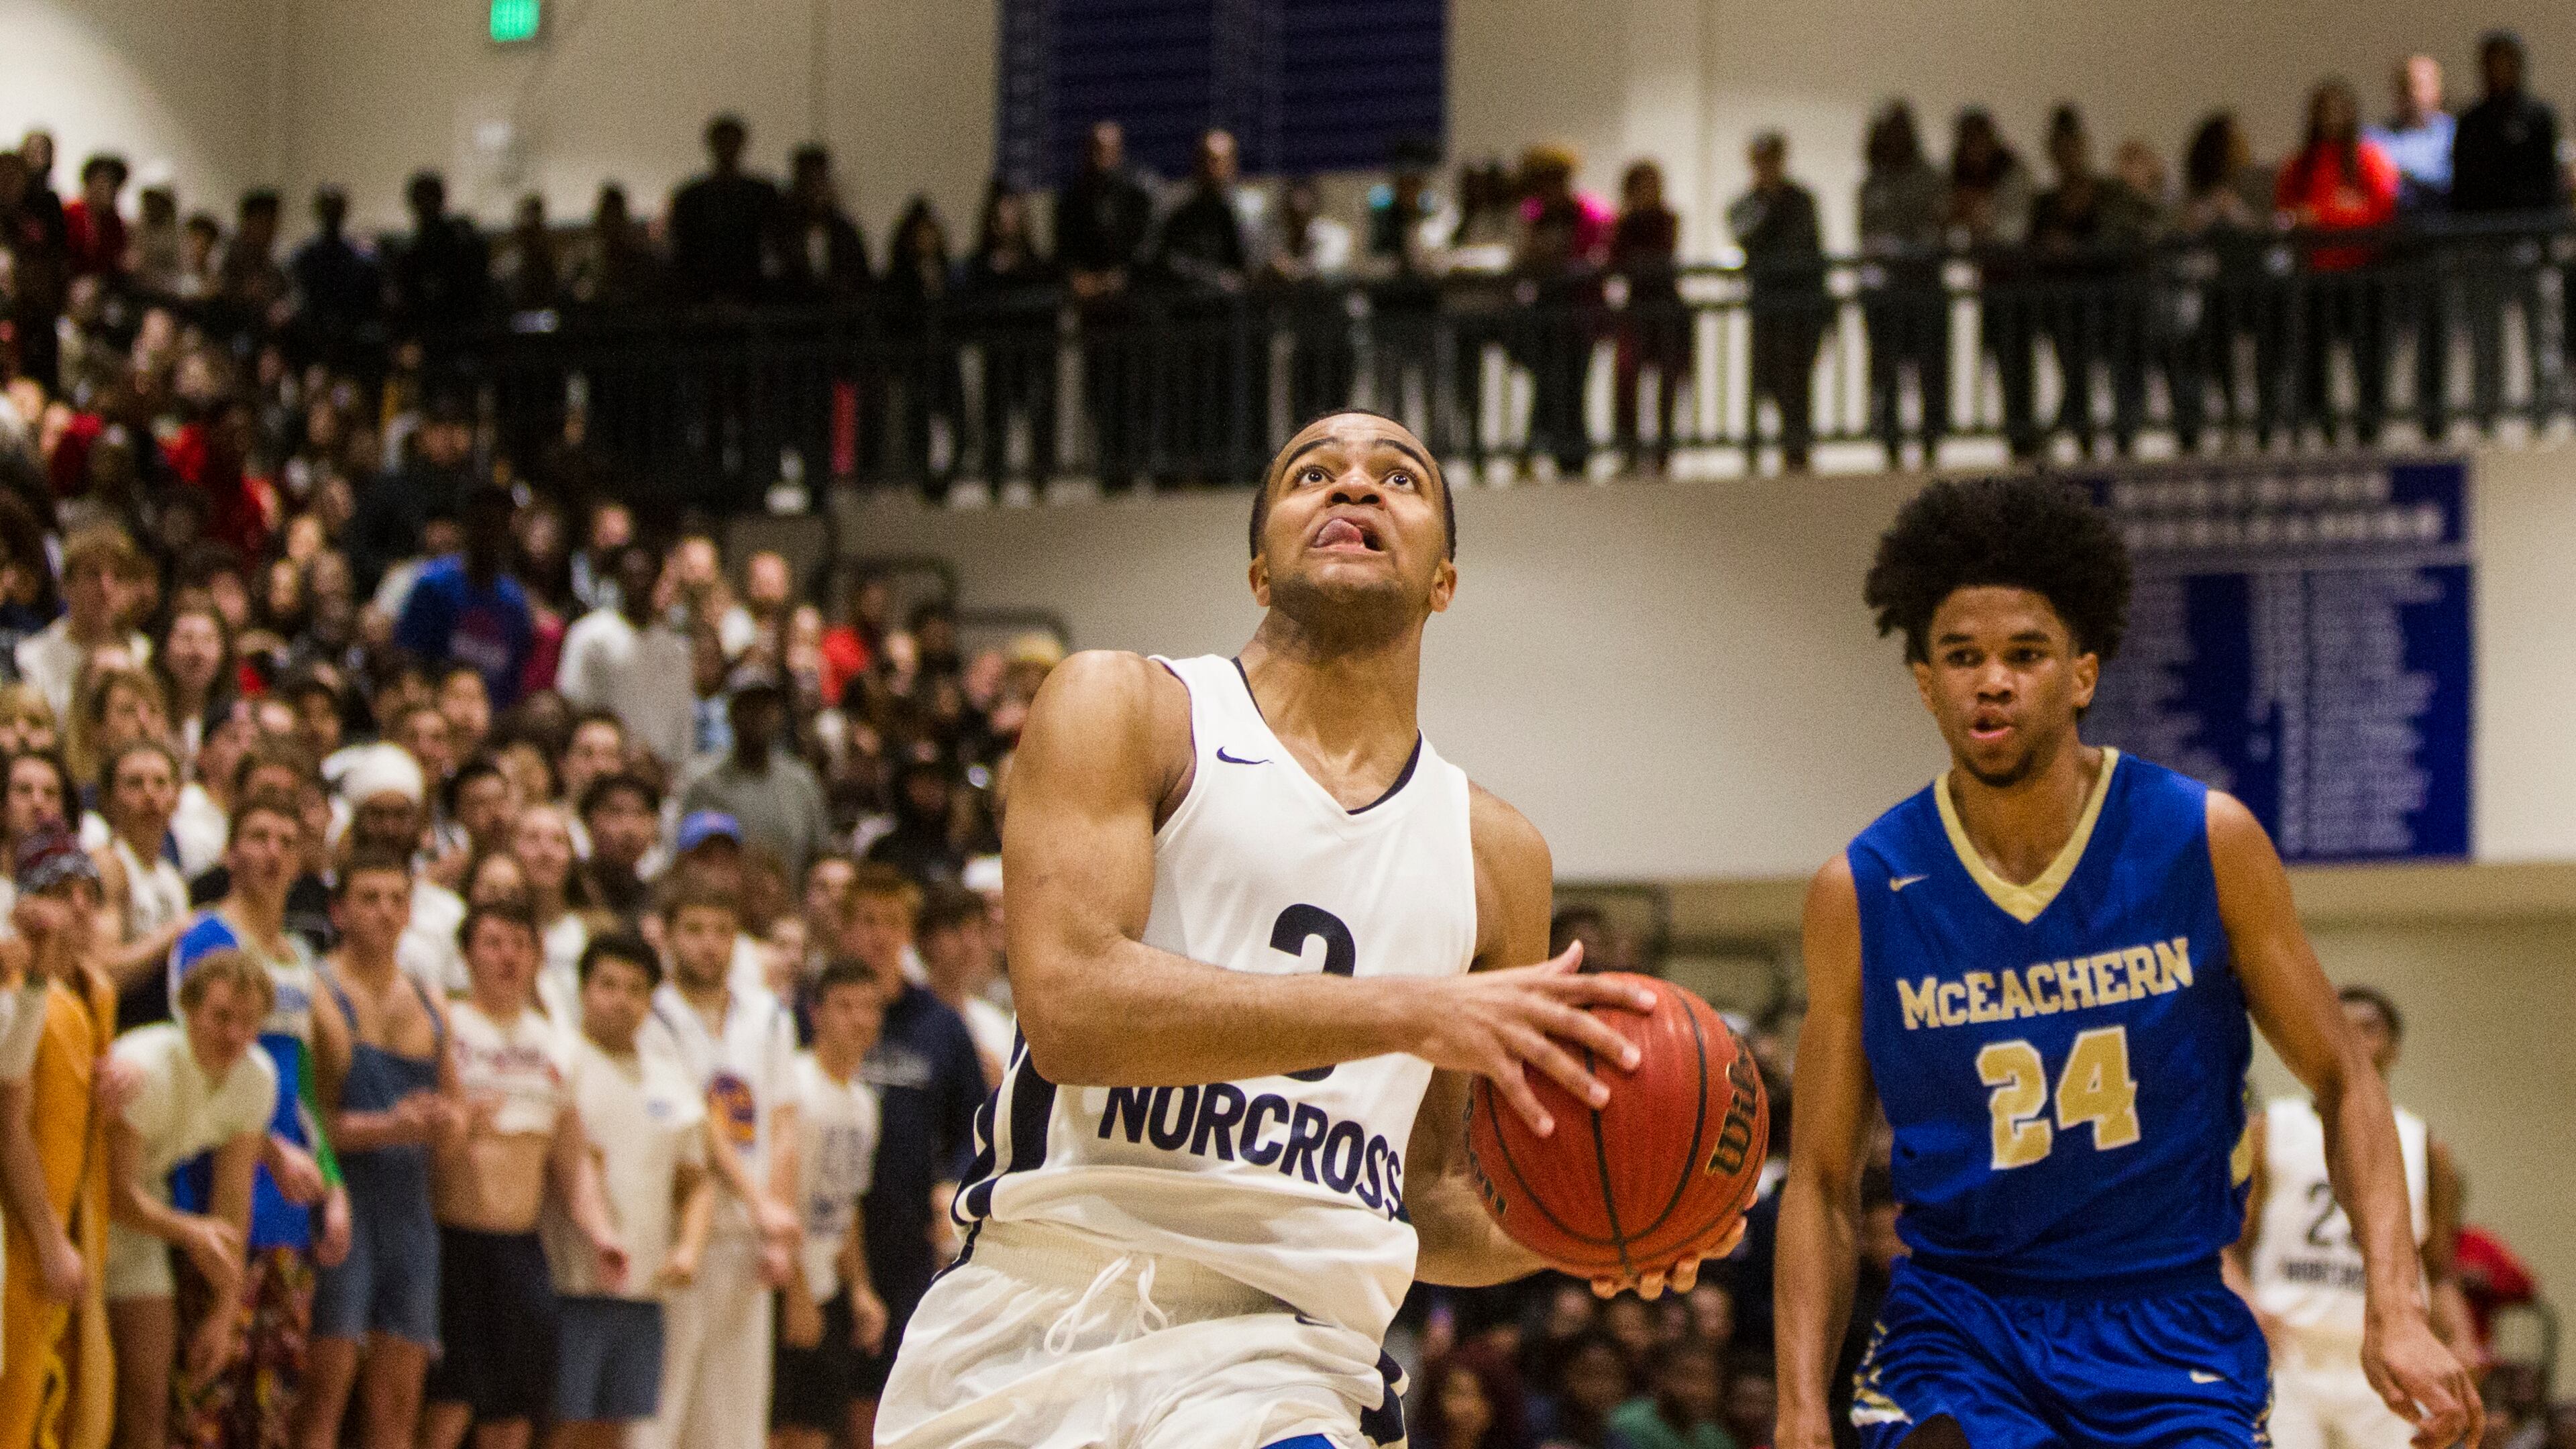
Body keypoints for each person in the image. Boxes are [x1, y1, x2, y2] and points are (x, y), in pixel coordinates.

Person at [875, 411, 1724, 1449]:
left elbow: (1429, 1197)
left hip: (1284, 1362)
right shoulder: (1131, 708)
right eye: (1312, 473)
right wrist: (1409, 1010)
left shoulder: (1498, 857)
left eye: (1398, 479)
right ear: (1259, 570)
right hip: (1038, 1312)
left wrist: (1598, 1228)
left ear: (1445, 580)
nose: (1354, 488)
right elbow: (1074, 1012)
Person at [1771, 475, 2479, 1449]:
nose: (1994, 681)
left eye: (2027, 655)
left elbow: (2344, 1079)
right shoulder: (1861, 889)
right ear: (1926, 682)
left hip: (2165, 1312)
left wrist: (2397, 1305)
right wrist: (1800, 1404)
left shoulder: (2205, 839)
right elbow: (1817, 1178)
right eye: (1962, 657)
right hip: (1962, 1320)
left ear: (2083, 673)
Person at [167, 793, 354, 1449]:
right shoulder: (207, 939)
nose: (272, 851)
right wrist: (270, 1148)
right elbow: (193, 1066)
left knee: (268, 1411)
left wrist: (332, 1183)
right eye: (257, 835)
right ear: (230, 851)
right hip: (214, 1193)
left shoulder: (298, 960)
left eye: (285, 839)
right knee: (201, 1405)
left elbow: (303, 1086)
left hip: (288, 1212)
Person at [423, 904, 627, 1449]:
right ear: (466, 954)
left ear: (538, 956)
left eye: (519, 943)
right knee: (446, 1406)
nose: (507, 956)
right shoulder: (444, 1024)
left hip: (520, 1247)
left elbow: (572, 1157)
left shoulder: (557, 1042)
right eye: (492, 943)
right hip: (451, 1240)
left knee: (514, 1410)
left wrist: (601, 1232)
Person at [2235, 985, 2474, 1449]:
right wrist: (2246, 1300)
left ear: (2395, 1048)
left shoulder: (2425, 1147)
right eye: (2341, 1026)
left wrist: (2463, 1338)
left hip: (2386, 1357)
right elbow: (2226, 1244)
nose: (2355, 1039)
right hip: (2289, 1355)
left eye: (2370, 1028)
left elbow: (2442, 1269)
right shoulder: (2270, 1130)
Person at [639, 872, 800, 1449]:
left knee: (735, 1425)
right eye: (695, 930)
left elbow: (783, 1121)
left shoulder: (768, 1015)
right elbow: (702, 1127)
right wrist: (762, 1205)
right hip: (679, 1231)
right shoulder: (652, 1014)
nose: (709, 943)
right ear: (668, 937)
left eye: (721, 931)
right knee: (662, 1417)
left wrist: (775, 1225)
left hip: (748, 1240)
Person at [303, 850, 453, 1449]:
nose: (385, 913)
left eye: (396, 900)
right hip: (344, 1203)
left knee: (398, 1407)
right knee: (324, 1400)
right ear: (339, 911)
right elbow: (307, 1122)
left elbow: (453, 1113)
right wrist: (389, 1127)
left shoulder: (430, 999)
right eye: (369, 899)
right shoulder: (320, 991)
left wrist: (452, 1123)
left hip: (410, 1215)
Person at [547, 932, 715, 1449]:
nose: (621, 1000)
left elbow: (697, 1181)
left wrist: (688, 1249)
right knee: (560, 1426)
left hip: (643, 1288)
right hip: (569, 1281)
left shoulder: (670, 1078)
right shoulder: (560, 1059)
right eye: (608, 985)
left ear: (650, 999)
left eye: (635, 989)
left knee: (617, 1430)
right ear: (583, 989)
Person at [104, 949, 276, 1449]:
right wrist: (190, 1230)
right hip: (81, 1213)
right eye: (221, 1017)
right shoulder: (146, 1066)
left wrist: (226, 1313)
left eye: (249, 1023)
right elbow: (112, 1195)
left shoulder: (255, 1077)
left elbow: (233, 1201)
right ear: (187, 1008)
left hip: (143, 1218)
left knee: (149, 1402)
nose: (234, 1037)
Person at [0, 828, 117, 1449]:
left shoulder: (98, 991)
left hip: (80, 1218)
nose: (77, 906)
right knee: (16, 1402)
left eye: (87, 893)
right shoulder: (18, 994)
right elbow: (7, 1125)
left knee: (80, 1404)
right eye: (60, 892)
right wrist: (47, 1237)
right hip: (24, 1224)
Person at [769, 961, 888, 1449]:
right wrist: (796, 1290)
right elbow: (783, 1197)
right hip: (781, 1282)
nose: (859, 1019)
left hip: (828, 1284)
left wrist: (860, 1288)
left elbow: (848, 1202)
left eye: (869, 1007)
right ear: (816, 1014)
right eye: (845, 1006)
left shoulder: (864, 1103)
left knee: (816, 1432)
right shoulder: (795, 1086)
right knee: (772, 1430)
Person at [2447, 31, 2567, 433]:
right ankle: (2487, 412)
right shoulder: (2472, 122)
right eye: (2491, 62)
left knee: (2541, 336)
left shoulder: (2537, 117)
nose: (2499, 70)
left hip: (2529, 242)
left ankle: (2545, 411)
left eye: (2505, 61)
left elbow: (2548, 184)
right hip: (2483, 243)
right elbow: (2462, 186)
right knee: (2486, 338)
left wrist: (2545, 238)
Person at [2276, 78, 2400, 446]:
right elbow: (2288, 213)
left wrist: (2325, 216)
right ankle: (2321, 425)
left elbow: (2380, 210)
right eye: (2323, 110)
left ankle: (2370, 425)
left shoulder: (2368, 157)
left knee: (2368, 357)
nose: (2331, 118)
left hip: (2363, 273)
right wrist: (2335, 211)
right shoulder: (2301, 164)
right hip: (2318, 275)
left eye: (2337, 109)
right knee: (2316, 358)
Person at [1055, 121, 1156, 492]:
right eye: (1095, 148)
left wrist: (1118, 279)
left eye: (1107, 148)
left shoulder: (1137, 192)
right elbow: (1065, 252)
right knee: (1098, 395)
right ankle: (1109, 471)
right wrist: (1081, 280)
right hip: (1095, 318)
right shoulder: (1074, 197)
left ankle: (1131, 466)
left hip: (1131, 316)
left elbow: (1146, 248)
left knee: (1132, 393)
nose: (1101, 156)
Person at [1857, 103, 1950, 470]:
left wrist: (1903, 249)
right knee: (1885, 371)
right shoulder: (1872, 184)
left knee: (1930, 369)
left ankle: (1930, 440)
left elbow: (1937, 234)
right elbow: (1867, 237)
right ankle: (1890, 441)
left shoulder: (1930, 180)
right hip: (1884, 294)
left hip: (1924, 289)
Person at [1729, 134, 1827, 473]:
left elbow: (1808, 250)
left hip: (1800, 305)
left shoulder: (1802, 201)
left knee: (1796, 381)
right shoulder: (1745, 206)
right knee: (1764, 379)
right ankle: (1756, 453)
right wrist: (1767, 206)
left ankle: (1796, 453)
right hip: (1766, 307)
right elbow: (1745, 238)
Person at [396, 486, 537, 714]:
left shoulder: (514, 602)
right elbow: (410, 663)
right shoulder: (434, 586)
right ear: (467, 526)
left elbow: (514, 680)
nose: (489, 534)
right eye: (483, 523)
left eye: (498, 525)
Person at [678, 673, 832, 879]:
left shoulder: (801, 782)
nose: (758, 716)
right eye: (748, 706)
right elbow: (683, 857)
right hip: (722, 907)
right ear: (731, 712)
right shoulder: (703, 781)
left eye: (766, 707)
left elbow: (819, 856)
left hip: (788, 906)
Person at [961, 184, 1061, 490]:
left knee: (1038, 414)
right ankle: (995, 481)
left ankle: (1041, 480)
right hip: (996, 354)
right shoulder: (980, 265)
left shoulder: (1037, 263)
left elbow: (1048, 299)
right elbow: (974, 303)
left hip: (1031, 354)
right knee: (995, 419)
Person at [92, 741, 193, 1023]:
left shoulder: (172, 877)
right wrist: (173, 933)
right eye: (135, 784)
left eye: (161, 783)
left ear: (176, 797)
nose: (150, 794)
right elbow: (103, 972)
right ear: (109, 799)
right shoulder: (108, 864)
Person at [17, 524, 150, 721]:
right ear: (66, 585)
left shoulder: (143, 653)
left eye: (118, 576)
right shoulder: (32, 655)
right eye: (93, 574)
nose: (106, 588)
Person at [1609, 160, 1688, 474]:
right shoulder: (1624, 224)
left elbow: (1660, 256)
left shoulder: (1667, 219)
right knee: (1627, 380)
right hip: (1638, 308)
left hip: (1665, 309)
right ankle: (1627, 450)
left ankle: (1663, 452)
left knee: (1668, 381)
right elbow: (1618, 262)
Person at [668, 115, 781, 307]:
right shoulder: (761, 193)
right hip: (711, 289)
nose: (728, 150)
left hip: (746, 288)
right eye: (725, 143)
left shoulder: (691, 196)